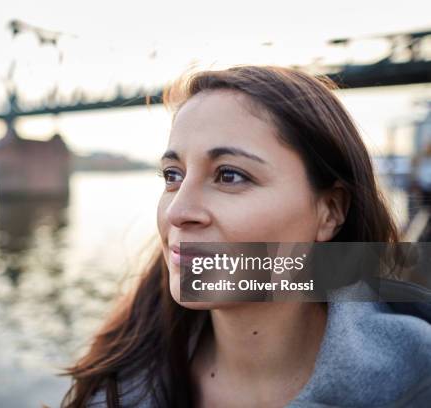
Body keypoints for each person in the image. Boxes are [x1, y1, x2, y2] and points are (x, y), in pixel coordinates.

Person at [60, 66, 431, 407]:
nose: (177, 212)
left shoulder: (417, 380)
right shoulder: (113, 388)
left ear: (330, 211)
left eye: (230, 176)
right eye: (173, 176)